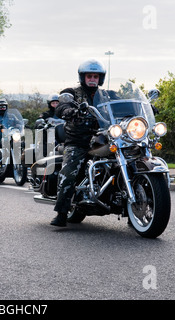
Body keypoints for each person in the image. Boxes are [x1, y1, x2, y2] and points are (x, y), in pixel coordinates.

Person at [50, 58, 105, 227]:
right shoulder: (72, 93)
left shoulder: (107, 95)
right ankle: (61, 212)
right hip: (78, 141)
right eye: (89, 76)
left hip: (103, 138)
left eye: (96, 76)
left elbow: (123, 105)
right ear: (83, 77)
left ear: (100, 79)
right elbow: (61, 106)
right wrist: (69, 110)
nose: (92, 79)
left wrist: (142, 107)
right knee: (69, 173)